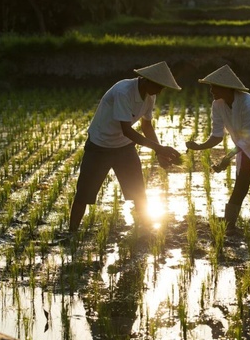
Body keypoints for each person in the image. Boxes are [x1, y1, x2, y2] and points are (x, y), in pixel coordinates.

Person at [69, 61, 182, 233]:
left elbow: (146, 126)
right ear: (146, 80)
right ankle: (71, 233)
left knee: (138, 192)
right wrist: (159, 149)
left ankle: (146, 231)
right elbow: (127, 129)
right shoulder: (124, 91)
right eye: (159, 86)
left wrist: (159, 153)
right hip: (100, 145)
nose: (160, 91)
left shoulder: (150, 96)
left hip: (123, 147)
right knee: (84, 193)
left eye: (163, 88)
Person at [185, 64, 250, 246]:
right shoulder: (218, 105)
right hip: (245, 149)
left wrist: (227, 158)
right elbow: (217, 135)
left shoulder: (248, 102)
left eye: (213, 87)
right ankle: (229, 226)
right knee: (240, 186)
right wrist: (199, 146)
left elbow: (247, 137)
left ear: (226, 87)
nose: (211, 91)